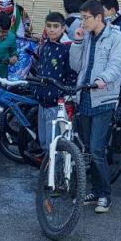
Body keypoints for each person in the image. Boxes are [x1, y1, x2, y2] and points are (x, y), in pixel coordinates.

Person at [69, 0, 121, 214]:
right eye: (81, 18)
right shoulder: (86, 36)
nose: (82, 22)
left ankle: (105, 195)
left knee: (96, 148)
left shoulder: (116, 37)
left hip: (103, 97)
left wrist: (103, 79)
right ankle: (95, 189)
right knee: (87, 149)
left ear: (98, 17)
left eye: (86, 18)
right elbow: (76, 66)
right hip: (84, 96)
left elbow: (116, 65)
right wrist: (77, 42)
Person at [31, 12, 78, 155]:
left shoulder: (68, 47)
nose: (52, 29)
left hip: (57, 104)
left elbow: (72, 74)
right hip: (42, 101)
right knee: (44, 142)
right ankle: (47, 168)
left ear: (63, 28)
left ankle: (56, 169)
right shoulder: (45, 45)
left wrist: (66, 96)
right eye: (49, 26)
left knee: (54, 145)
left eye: (56, 26)